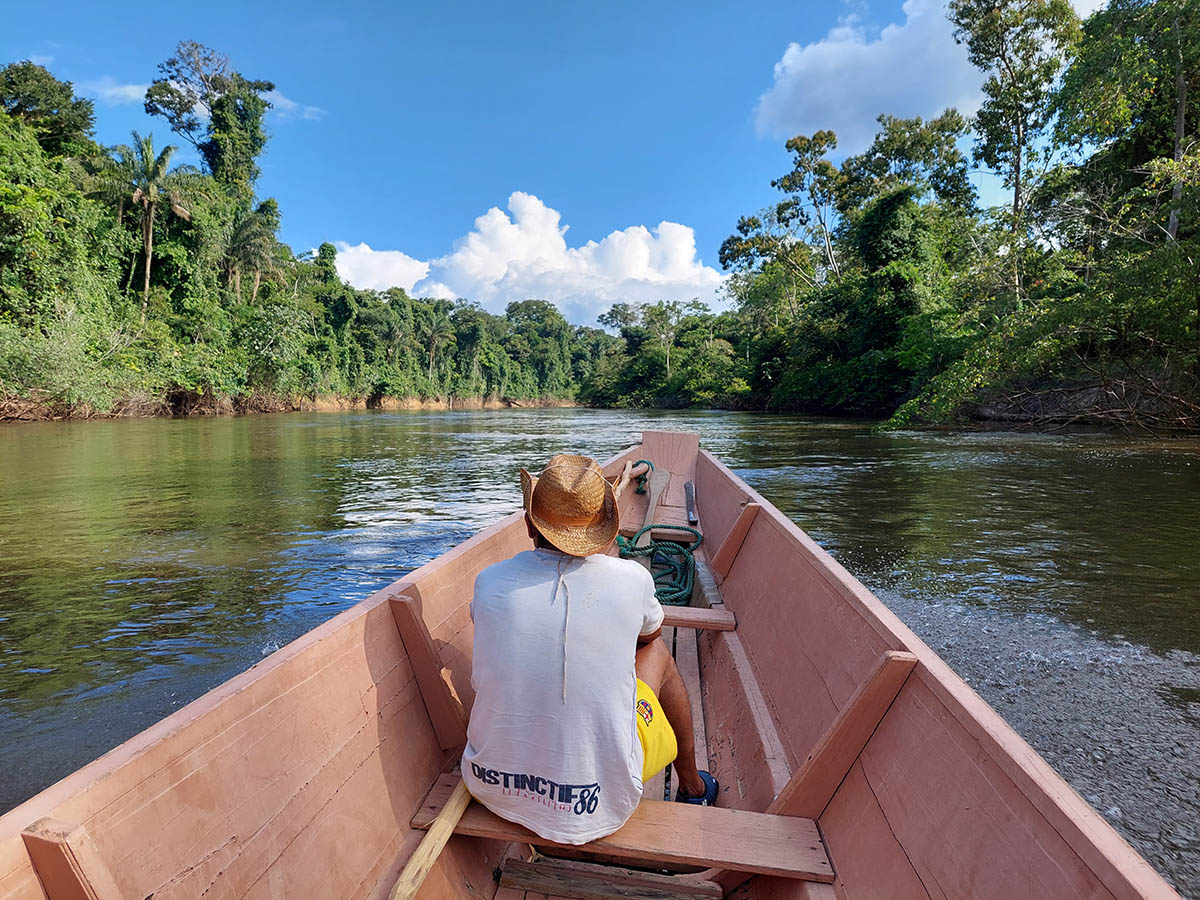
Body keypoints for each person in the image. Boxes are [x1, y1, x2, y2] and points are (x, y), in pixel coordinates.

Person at [460, 453, 719, 845]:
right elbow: (648, 638)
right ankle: (693, 787)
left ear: (530, 523)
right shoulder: (632, 579)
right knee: (659, 657)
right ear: (606, 529)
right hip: (601, 804)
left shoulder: (489, 581)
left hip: (490, 787)